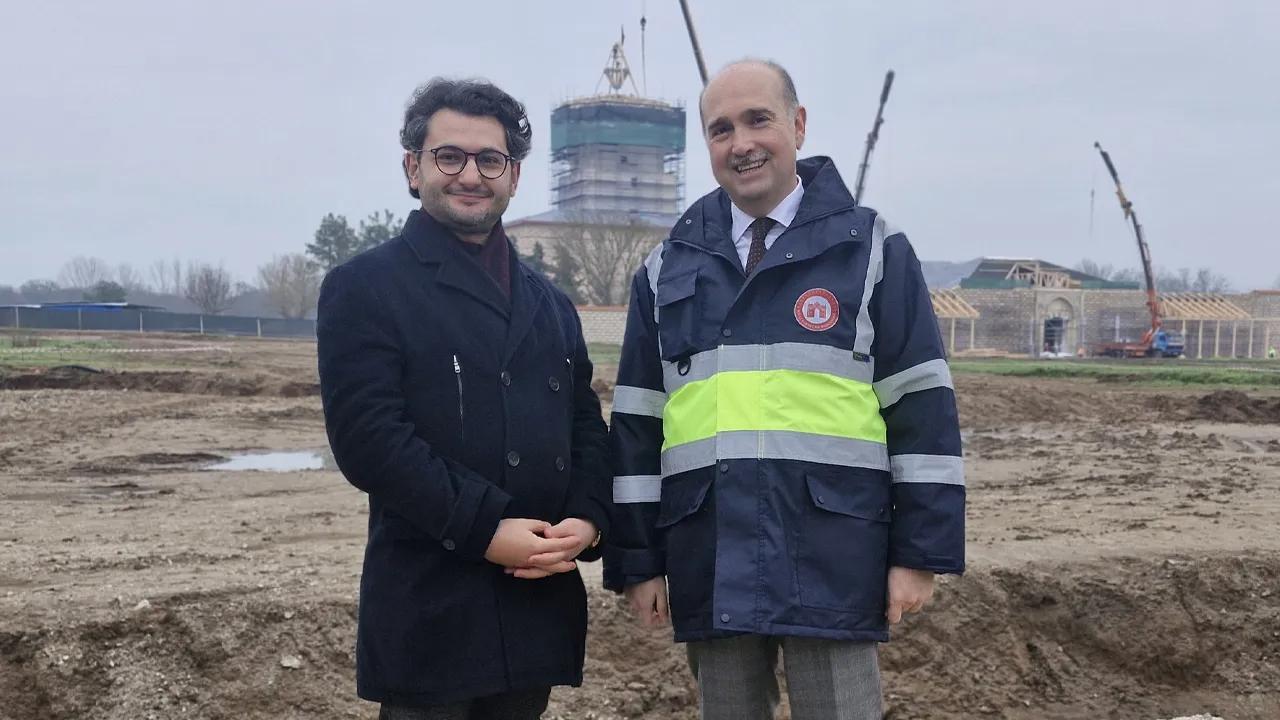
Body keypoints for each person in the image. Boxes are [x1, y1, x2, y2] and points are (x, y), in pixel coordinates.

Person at [603, 59, 965, 720]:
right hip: (709, 551)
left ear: (797, 125)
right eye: (720, 129)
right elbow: (636, 425)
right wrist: (639, 561)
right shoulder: (666, 269)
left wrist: (920, 555)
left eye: (757, 120)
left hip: (833, 549)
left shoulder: (872, 250)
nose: (741, 142)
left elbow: (922, 408)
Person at [317, 78, 611, 720]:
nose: (470, 175)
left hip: (533, 600)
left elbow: (585, 425)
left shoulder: (550, 304)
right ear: (412, 167)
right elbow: (371, 441)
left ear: (513, 176)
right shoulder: (366, 288)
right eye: (449, 156)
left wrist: (588, 522)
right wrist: (486, 531)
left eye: (490, 160)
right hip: (431, 609)